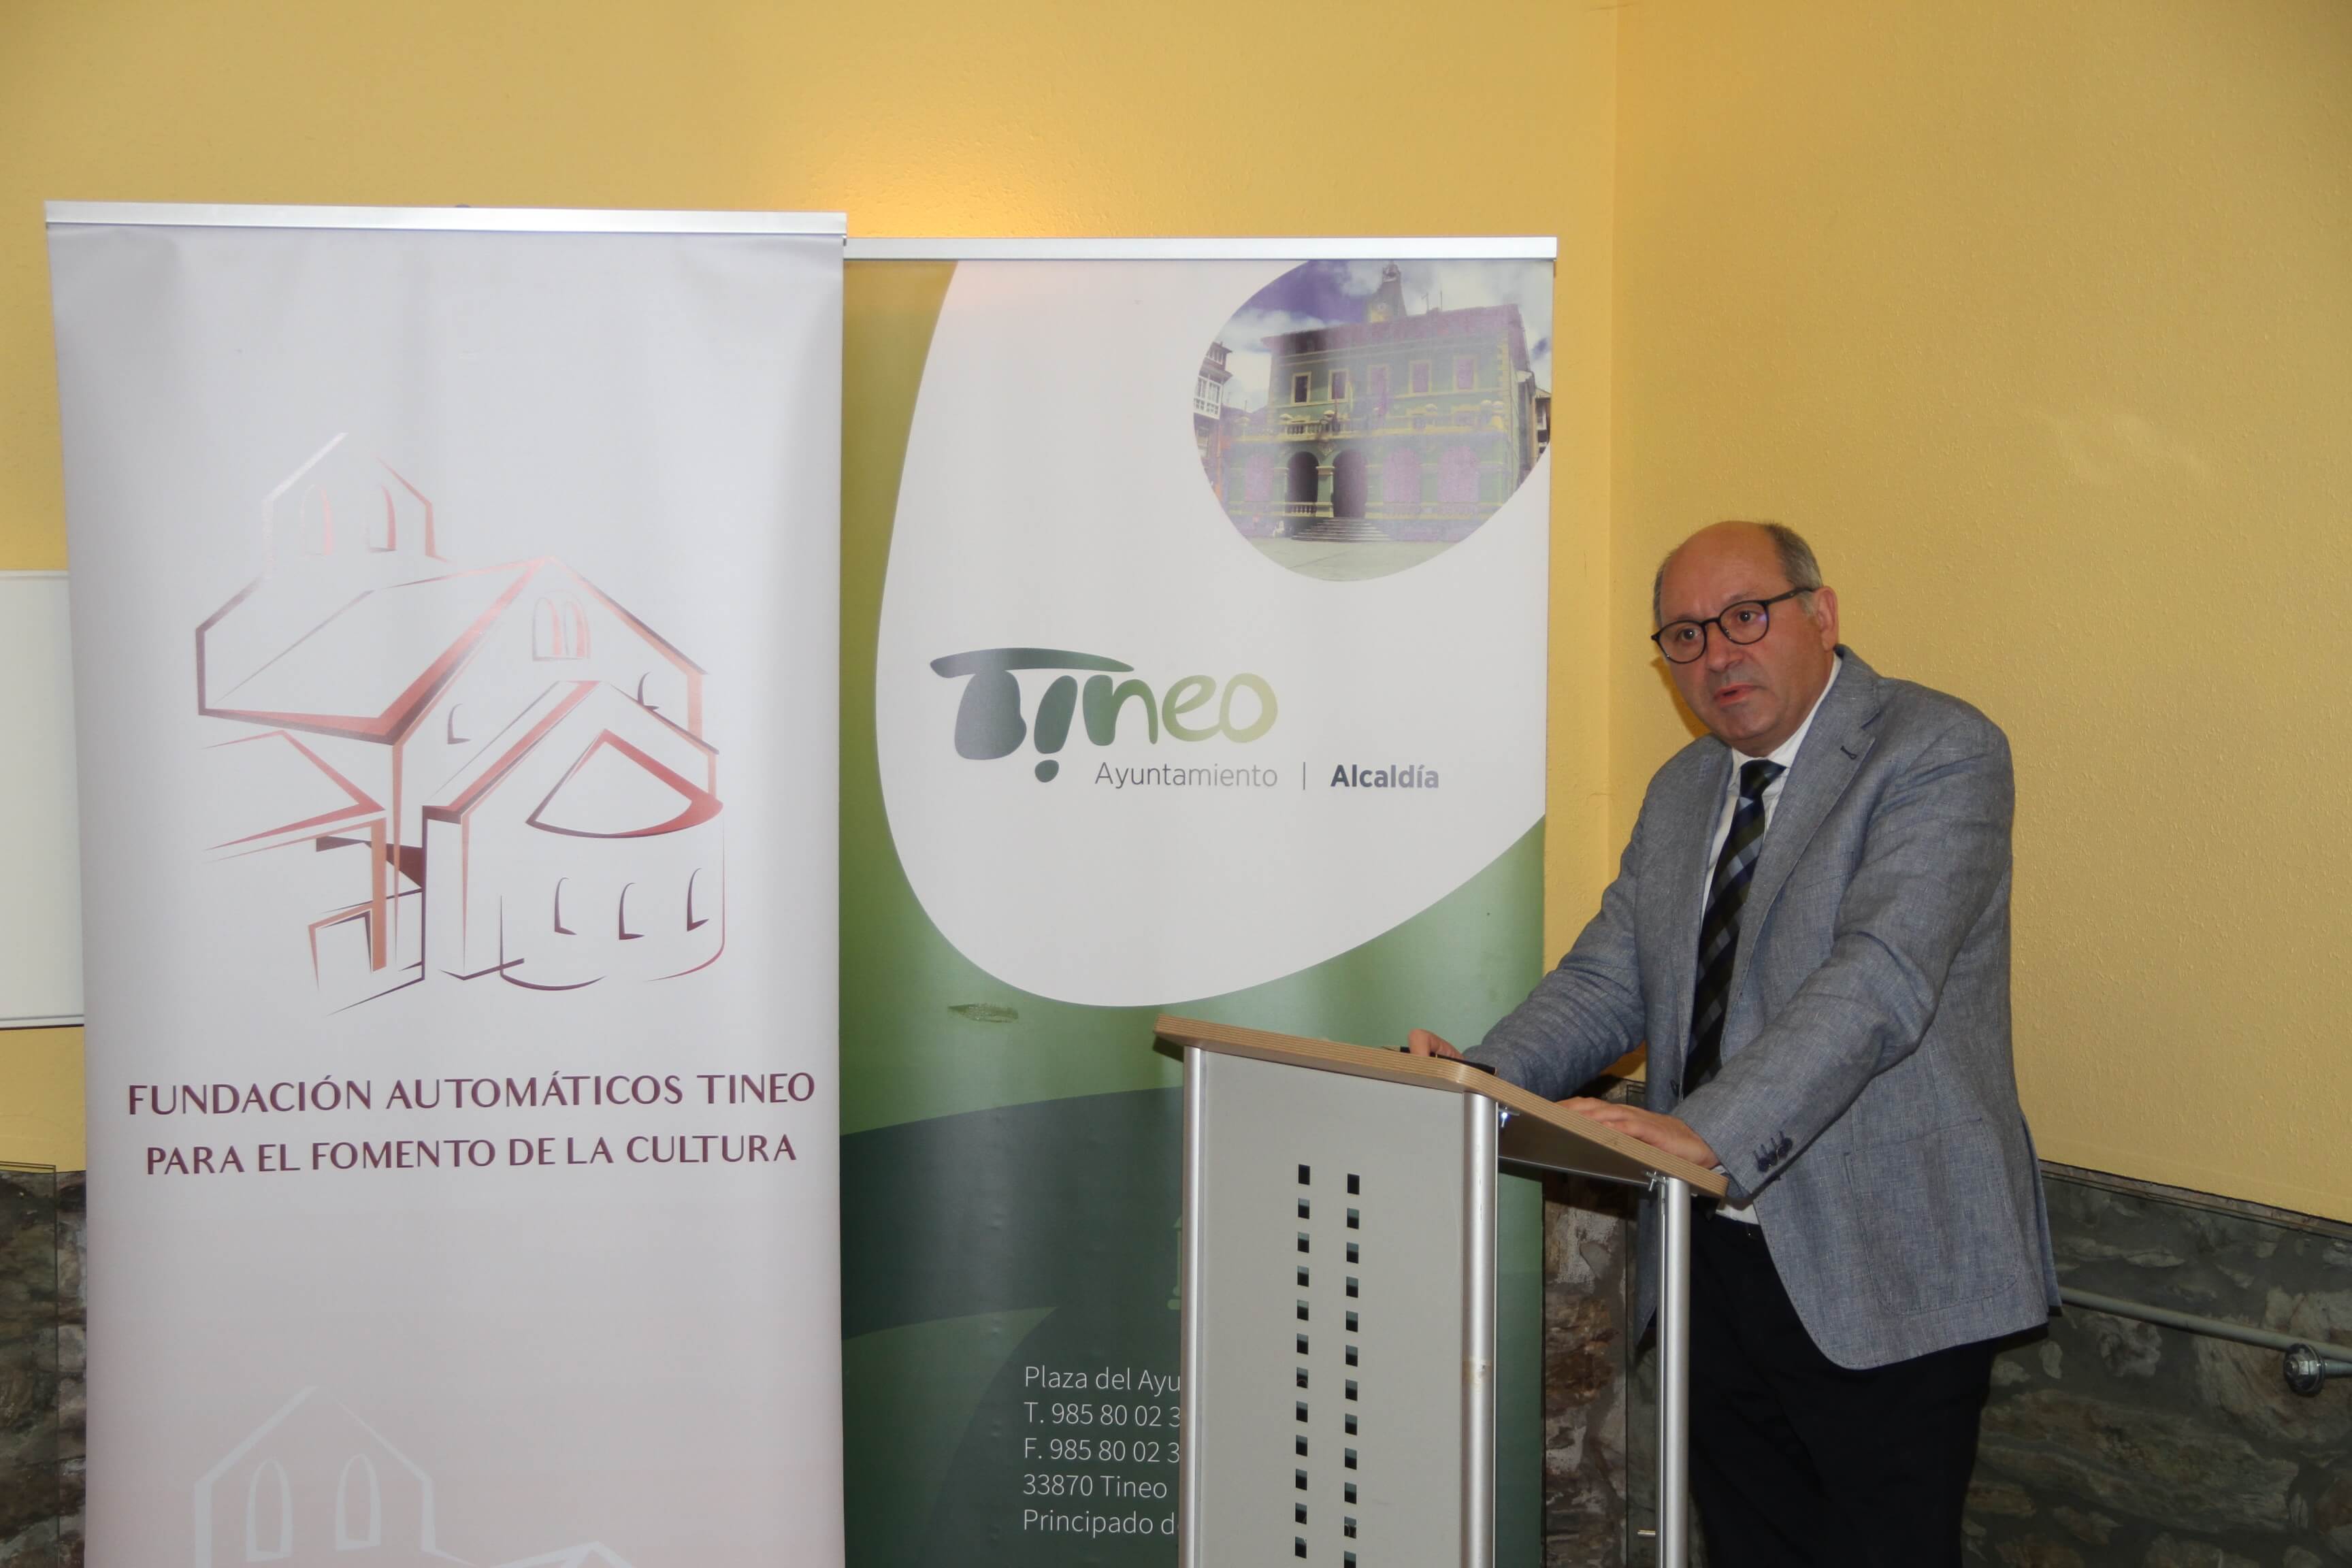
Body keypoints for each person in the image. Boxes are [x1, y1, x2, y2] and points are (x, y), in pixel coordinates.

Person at [1409, 521, 2057, 1567]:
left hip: (1883, 1263)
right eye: (1685, 635)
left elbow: (1881, 981)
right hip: (1707, 1258)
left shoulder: (1937, 749)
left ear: (1822, 615)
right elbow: (1610, 979)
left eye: (1745, 617)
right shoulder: (1684, 790)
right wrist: (1481, 1080)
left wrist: (1703, 1132)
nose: (1717, 654)